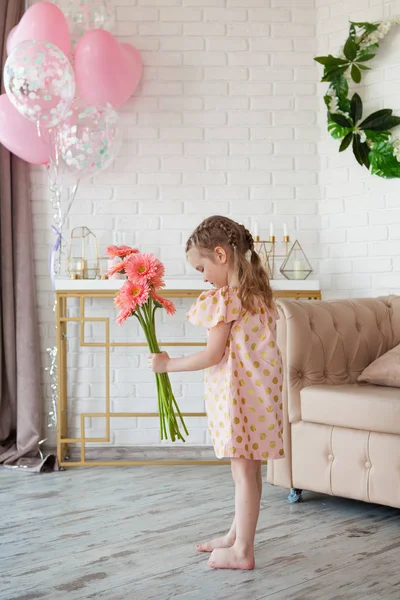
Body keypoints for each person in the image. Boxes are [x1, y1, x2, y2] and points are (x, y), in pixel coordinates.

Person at [148, 215, 284, 571]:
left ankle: (243, 552)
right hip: (261, 396)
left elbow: (212, 354)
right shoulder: (258, 293)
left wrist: (167, 364)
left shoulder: (224, 298)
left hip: (239, 397)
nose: (203, 276)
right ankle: (236, 536)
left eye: (201, 267)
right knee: (250, 472)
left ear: (221, 255)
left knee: (243, 474)